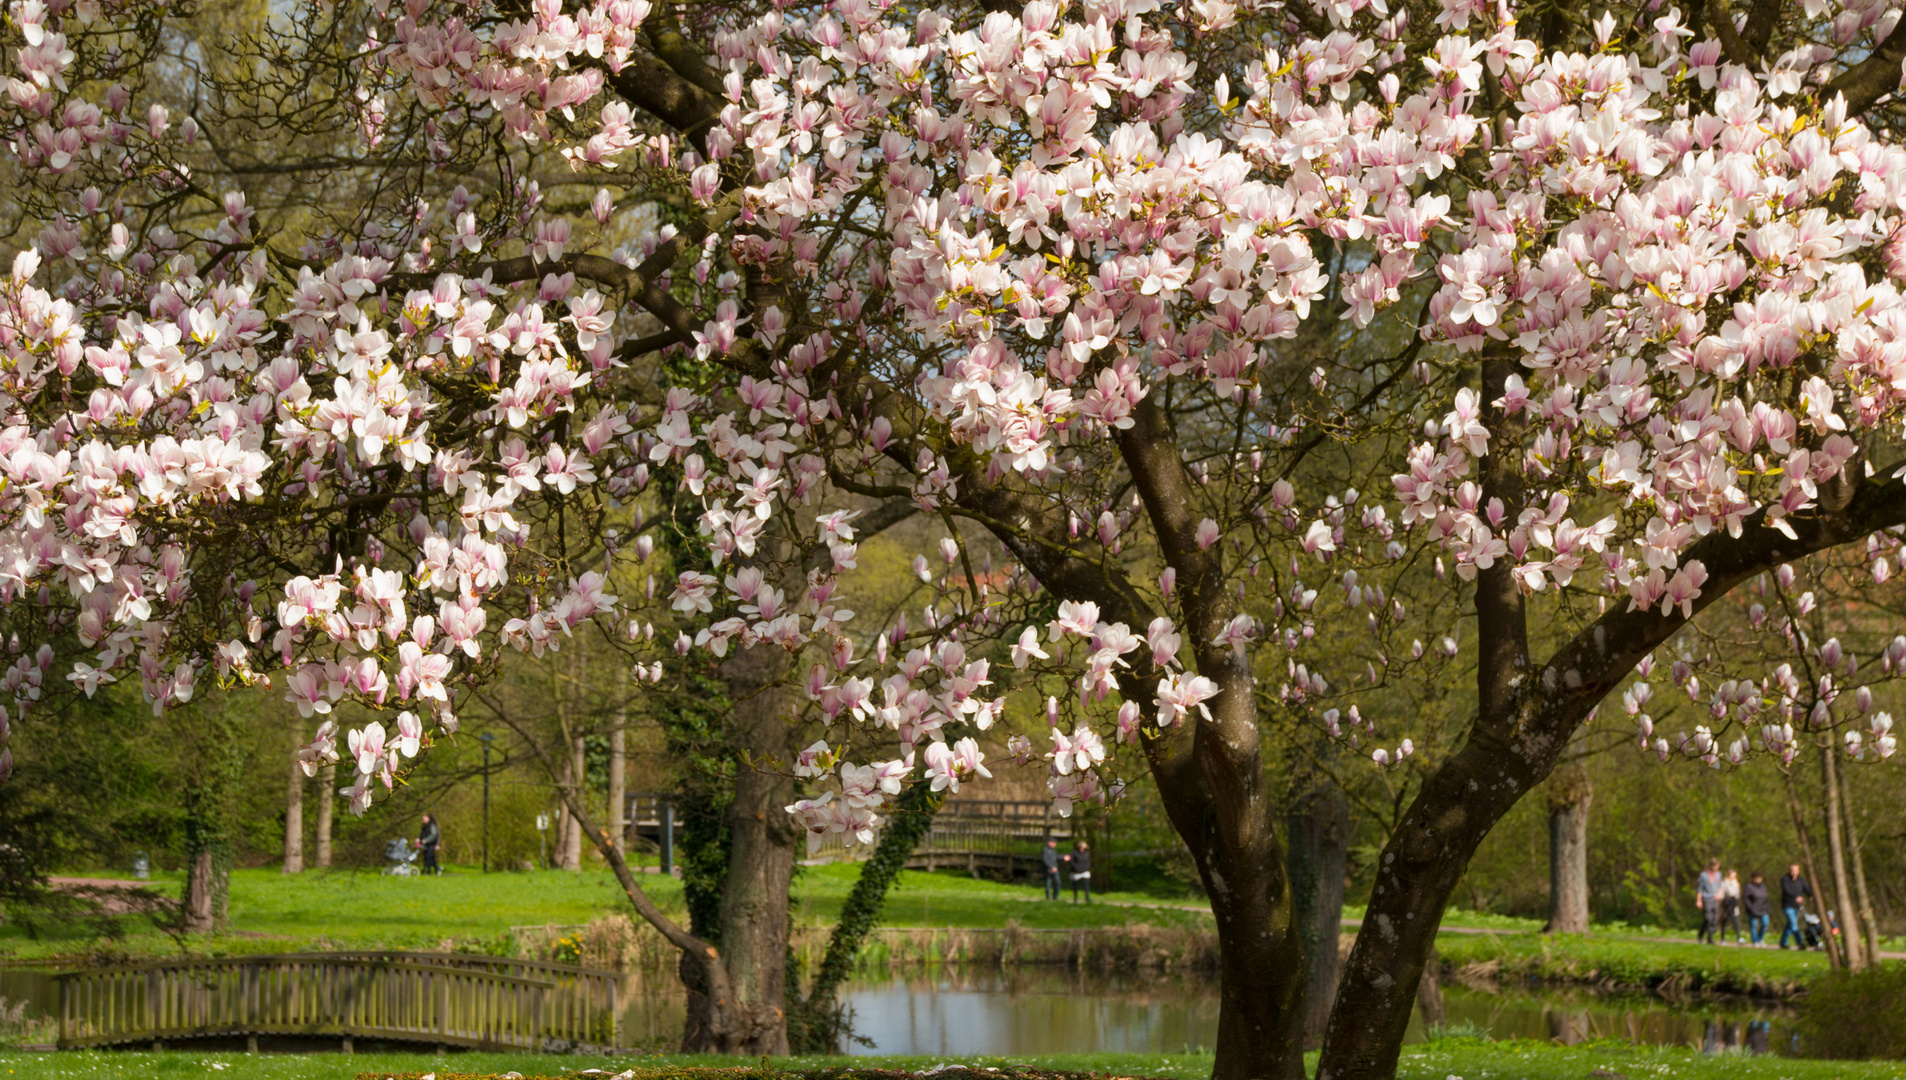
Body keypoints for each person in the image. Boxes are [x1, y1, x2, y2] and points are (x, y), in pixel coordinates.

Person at [1778, 864, 1813, 949]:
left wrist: (1810, 895)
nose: (1793, 872)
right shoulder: (1785, 879)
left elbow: (1806, 888)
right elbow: (1787, 890)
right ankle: (1800, 943)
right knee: (1794, 924)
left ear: (1798, 871)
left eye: (1795, 870)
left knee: (1790, 925)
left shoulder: (1801, 880)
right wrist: (1796, 897)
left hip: (1797, 906)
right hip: (1788, 905)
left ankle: (1783, 942)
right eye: (1792, 870)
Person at [1694, 858, 1723, 944]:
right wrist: (1698, 900)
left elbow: (1720, 886)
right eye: (1715, 866)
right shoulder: (1703, 875)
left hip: (1715, 899)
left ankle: (1708, 936)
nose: (1717, 867)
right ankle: (1707, 937)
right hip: (1707, 899)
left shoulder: (1718, 874)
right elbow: (1700, 889)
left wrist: (1718, 893)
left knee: (1715, 919)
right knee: (1708, 918)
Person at [1742, 871, 1772, 946]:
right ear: (1753, 878)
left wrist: (1767, 907)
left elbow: (1766, 897)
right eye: (1757, 878)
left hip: (1763, 909)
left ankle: (1760, 938)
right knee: (1753, 925)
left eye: (1760, 878)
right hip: (1753, 909)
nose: (1759, 880)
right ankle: (1754, 940)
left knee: (1765, 923)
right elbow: (1745, 898)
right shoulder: (1749, 887)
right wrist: (1750, 907)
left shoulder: (1763, 886)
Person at [1719, 869, 1743, 944]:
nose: (1733, 876)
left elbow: (1737, 893)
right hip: (1727, 903)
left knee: (1736, 920)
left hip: (1734, 903)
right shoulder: (1724, 883)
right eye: (1732, 875)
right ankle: (1723, 938)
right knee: (1725, 921)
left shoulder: (1736, 883)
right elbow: (1722, 893)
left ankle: (1739, 937)